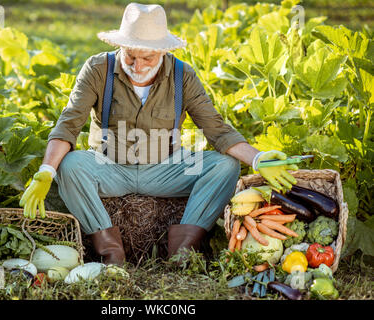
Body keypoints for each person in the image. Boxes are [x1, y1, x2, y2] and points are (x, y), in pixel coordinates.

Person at [19, 3, 298, 266]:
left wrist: (259, 159)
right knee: (71, 165)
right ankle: (111, 253)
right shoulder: (98, 69)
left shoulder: (182, 76)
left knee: (225, 165)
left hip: (166, 169)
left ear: (163, 51)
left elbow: (217, 130)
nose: (137, 65)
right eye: (130, 55)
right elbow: (68, 124)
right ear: (121, 46)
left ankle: (183, 252)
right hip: (109, 167)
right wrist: (46, 171)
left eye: (147, 57)